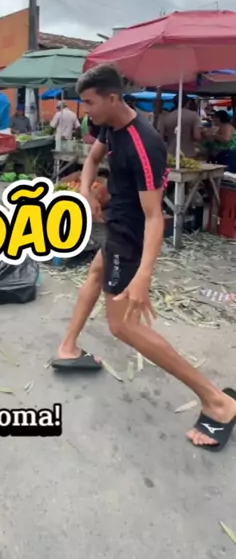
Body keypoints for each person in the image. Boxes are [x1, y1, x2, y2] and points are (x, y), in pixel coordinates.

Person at [52, 64, 236, 451]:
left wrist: (143, 276)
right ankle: (68, 346)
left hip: (131, 239)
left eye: (89, 103)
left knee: (123, 327)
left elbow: (155, 218)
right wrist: (85, 192)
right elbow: (91, 160)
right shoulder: (109, 124)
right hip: (116, 225)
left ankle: (218, 402)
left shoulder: (144, 143)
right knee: (94, 277)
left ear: (112, 98)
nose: (86, 111)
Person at [157, 93, 201, 157]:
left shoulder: (166, 117)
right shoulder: (193, 115)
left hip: (171, 153)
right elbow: (197, 136)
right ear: (187, 103)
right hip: (188, 153)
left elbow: (161, 137)